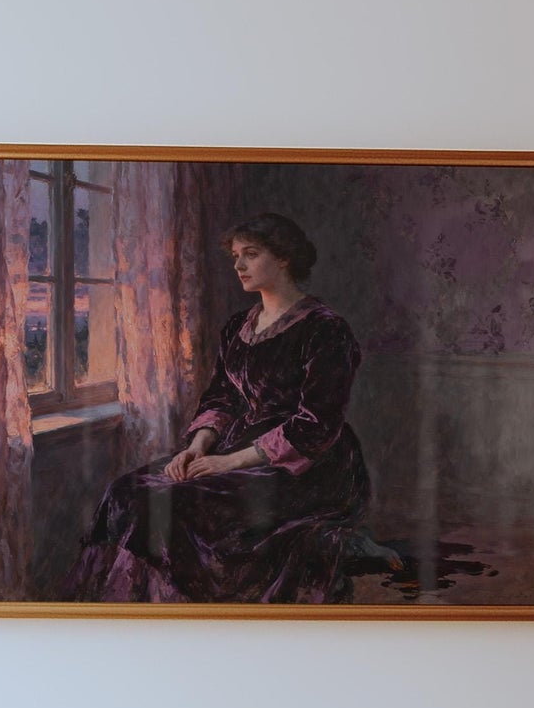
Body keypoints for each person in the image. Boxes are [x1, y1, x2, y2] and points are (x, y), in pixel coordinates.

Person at [66, 212, 374, 602]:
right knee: (125, 491)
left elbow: (317, 423)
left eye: (250, 254)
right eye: (234, 256)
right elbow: (221, 397)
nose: (238, 265)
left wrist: (228, 463)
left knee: (179, 504)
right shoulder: (237, 327)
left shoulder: (325, 329)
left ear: (284, 258)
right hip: (235, 444)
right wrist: (196, 447)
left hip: (307, 464)